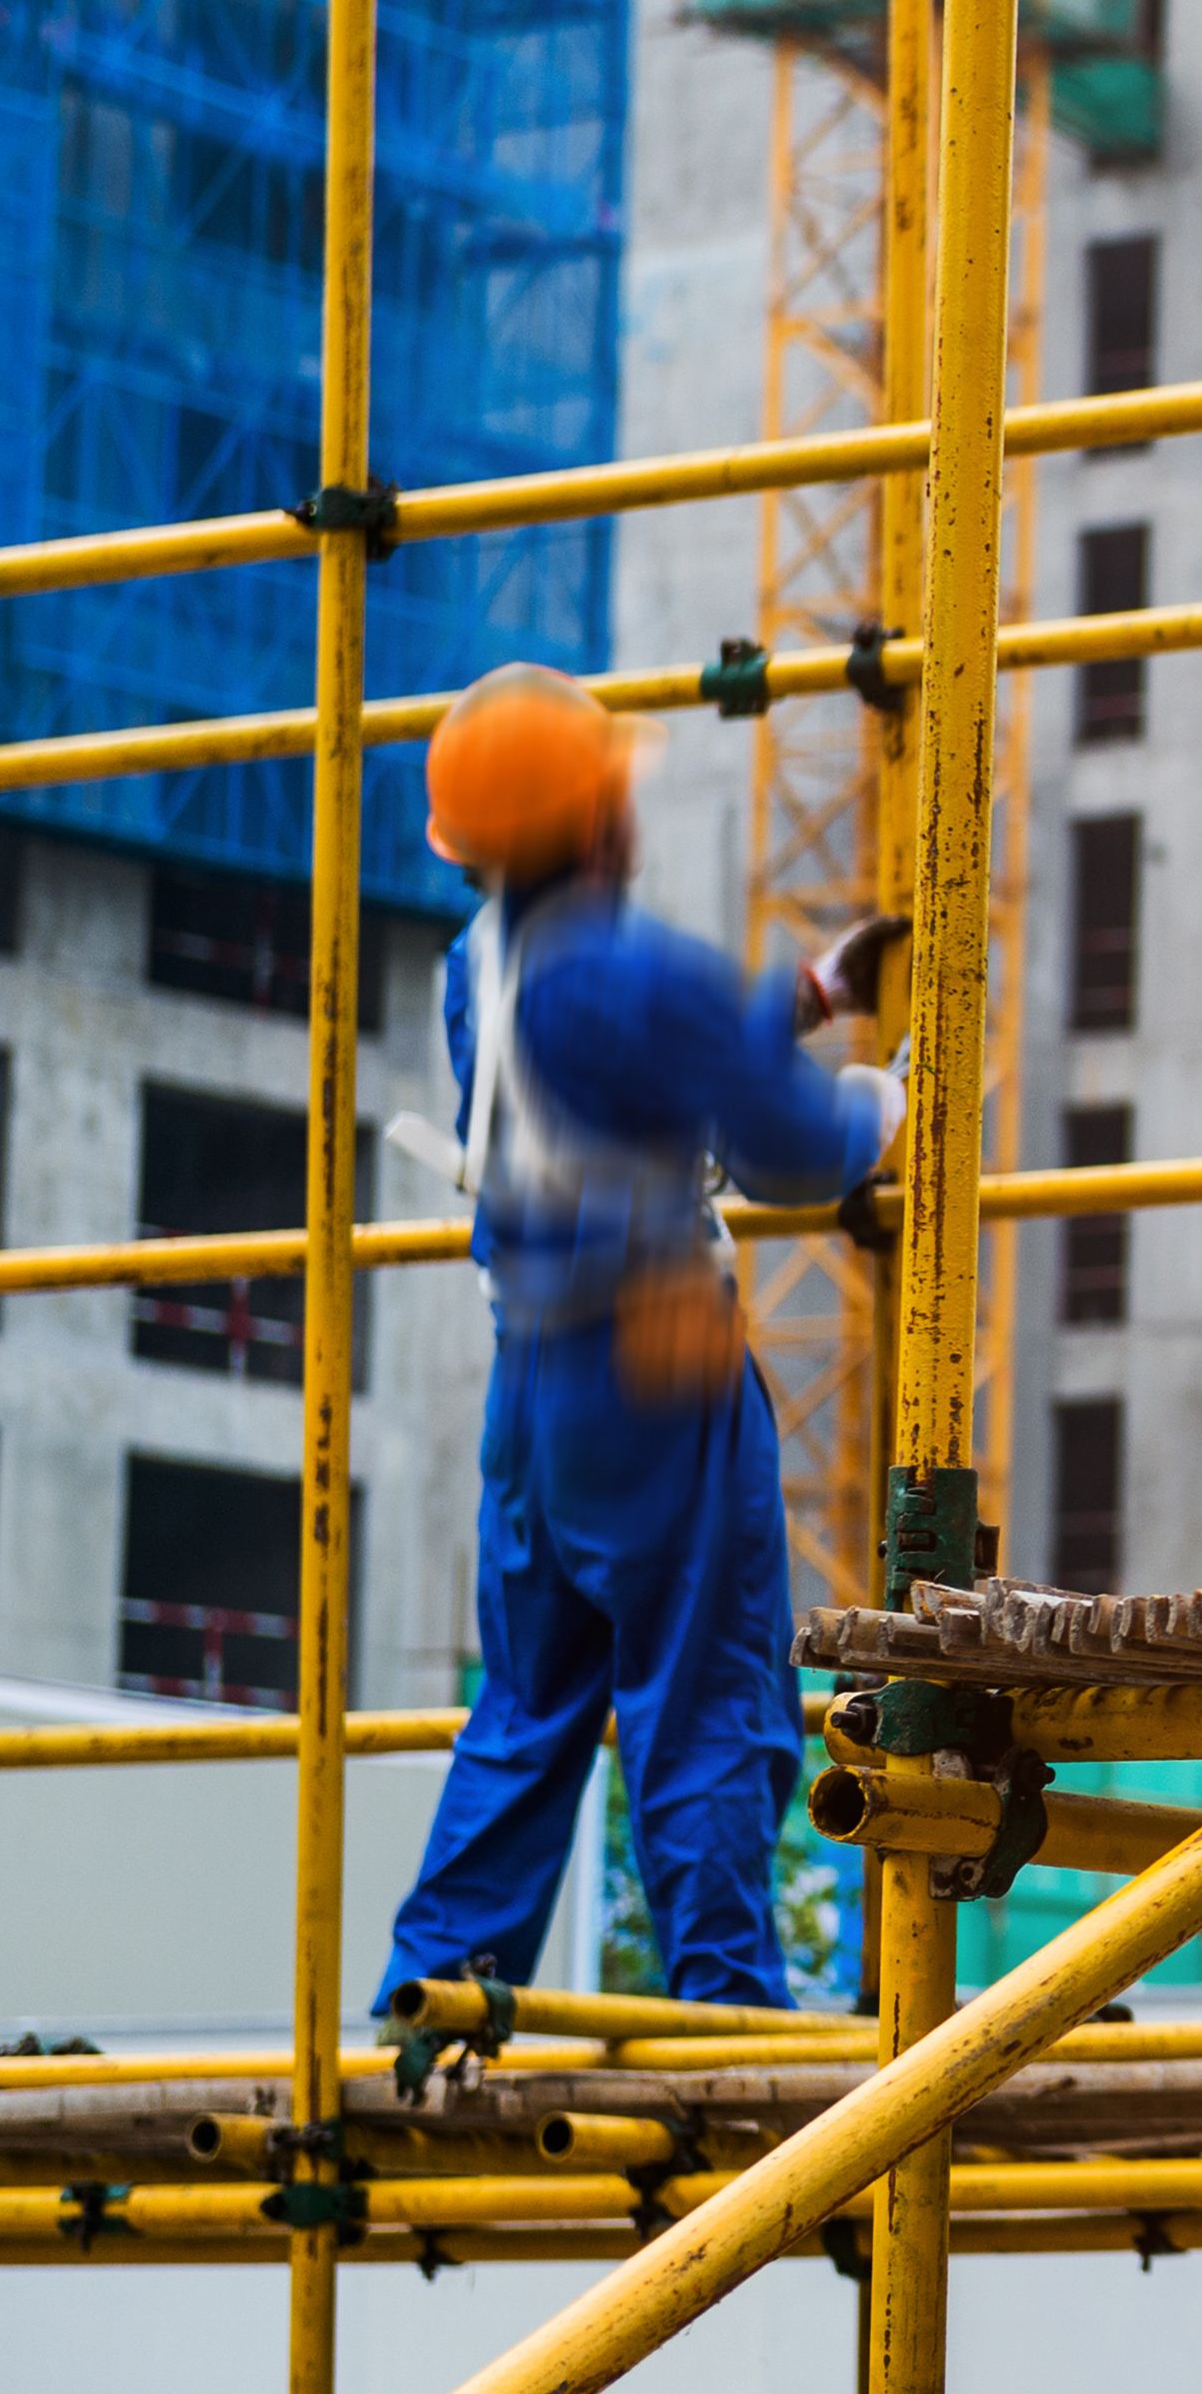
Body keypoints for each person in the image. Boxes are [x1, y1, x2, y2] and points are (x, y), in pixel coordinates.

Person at [379, 664, 905, 2011]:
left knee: (531, 1702)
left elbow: (614, 1080)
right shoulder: (636, 972)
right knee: (704, 1696)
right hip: (654, 1369)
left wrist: (789, 1004)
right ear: (597, 815)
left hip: (536, 1380)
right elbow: (788, 1152)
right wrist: (876, 1106)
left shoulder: (474, 969)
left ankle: (435, 1992)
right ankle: (723, 2008)